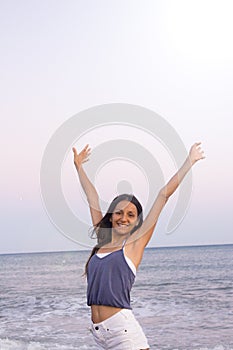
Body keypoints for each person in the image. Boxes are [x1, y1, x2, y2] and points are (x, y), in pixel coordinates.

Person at [72, 142, 205, 349]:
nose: (123, 218)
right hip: (99, 336)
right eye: (119, 212)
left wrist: (190, 161)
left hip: (123, 334)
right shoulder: (102, 239)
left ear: (136, 222)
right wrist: (78, 166)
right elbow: (92, 196)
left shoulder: (134, 245)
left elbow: (163, 195)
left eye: (130, 215)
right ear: (111, 215)